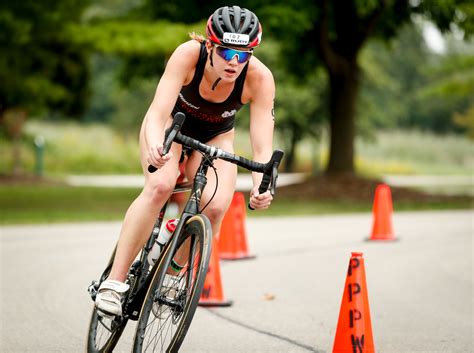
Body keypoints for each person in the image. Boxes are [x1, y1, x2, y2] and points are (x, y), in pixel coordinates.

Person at [95, 5, 276, 317]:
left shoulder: (259, 79)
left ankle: (171, 273)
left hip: (216, 136)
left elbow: (263, 149)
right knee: (160, 186)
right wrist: (155, 142)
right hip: (172, 124)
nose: (234, 62)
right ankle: (114, 282)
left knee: (218, 205)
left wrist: (263, 186)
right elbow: (157, 112)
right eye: (226, 53)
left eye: (243, 55)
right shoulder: (187, 55)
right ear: (209, 46)